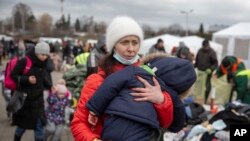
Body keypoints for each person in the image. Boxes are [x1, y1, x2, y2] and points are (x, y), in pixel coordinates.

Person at [71, 16, 174, 141]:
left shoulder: (149, 76)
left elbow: (167, 123)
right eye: (125, 42)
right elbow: (79, 124)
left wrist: (161, 100)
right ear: (113, 45)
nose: (131, 49)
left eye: (135, 43)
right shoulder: (98, 80)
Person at [86, 53, 197, 140]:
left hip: (115, 120)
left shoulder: (134, 71)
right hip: (142, 129)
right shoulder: (170, 95)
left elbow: (111, 83)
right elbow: (177, 124)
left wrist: (95, 109)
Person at [10, 42, 52, 141]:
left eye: (46, 55)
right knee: (22, 126)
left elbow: (43, 77)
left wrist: (50, 86)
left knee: (39, 126)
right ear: (37, 53)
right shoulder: (25, 61)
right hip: (26, 101)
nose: (44, 57)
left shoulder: (44, 63)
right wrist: (27, 79)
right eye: (42, 54)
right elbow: (13, 75)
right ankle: (16, 138)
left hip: (38, 101)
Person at [194, 39, 218, 103]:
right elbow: (197, 60)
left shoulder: (212, 52)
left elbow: (215, 63)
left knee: (206, 88)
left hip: (207, 73)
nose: (205, 48)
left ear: (208, 45)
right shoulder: (200, 50)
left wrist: (211, 69)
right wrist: (194, 66)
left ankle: (205, 100)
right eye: (203, 47)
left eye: (206, 46)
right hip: (199, 72)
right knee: (197, 87)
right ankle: (196, 99)